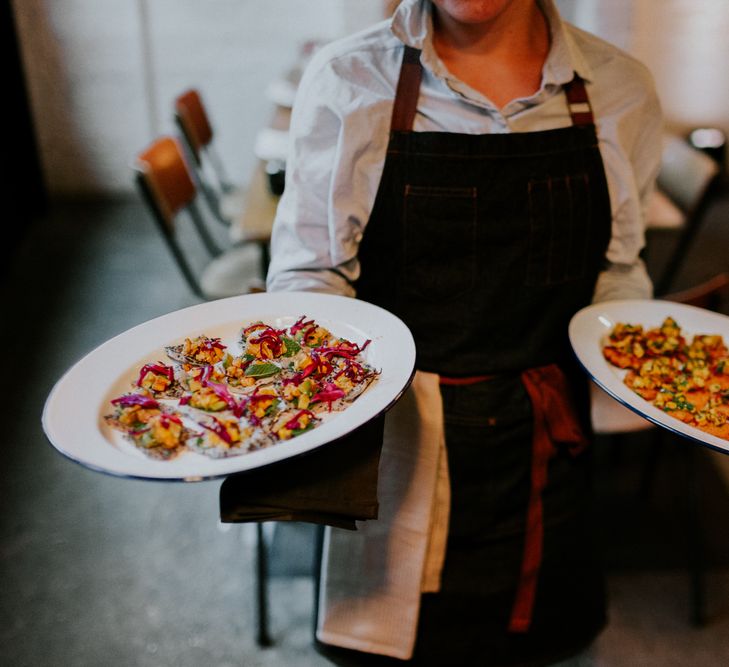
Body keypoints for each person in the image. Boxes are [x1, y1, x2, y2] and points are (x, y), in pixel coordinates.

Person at [266, 0, 663, 664]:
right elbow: (311, 278)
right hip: (396, 445)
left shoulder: (618, 88)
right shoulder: (349, 78)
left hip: (546, 440)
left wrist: (644, 363)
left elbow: (616, 272)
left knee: (544, 643)